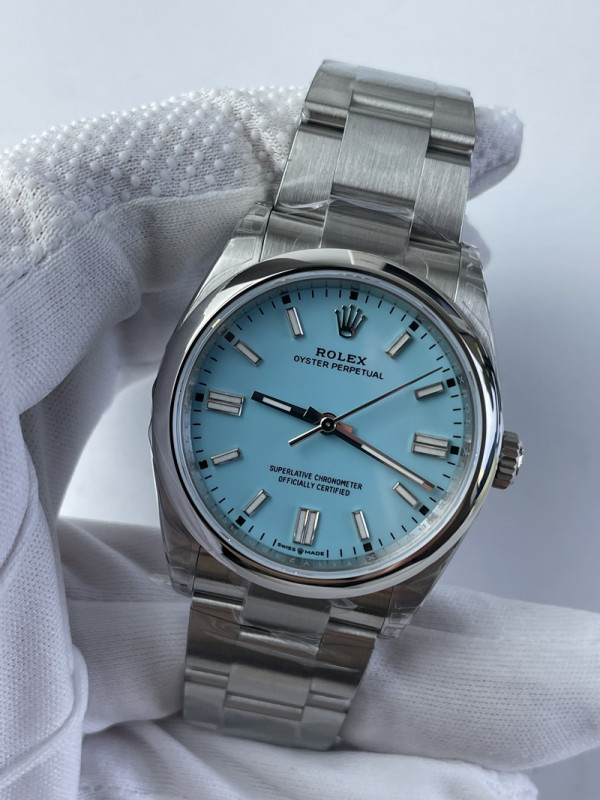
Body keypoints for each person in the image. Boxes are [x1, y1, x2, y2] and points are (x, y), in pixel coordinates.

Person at [1, 81, 598, 800]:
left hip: (322, 544)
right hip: (243, 535)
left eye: (337, 427)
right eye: (325, 424)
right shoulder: (253, 286)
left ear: (491, 458)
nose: (331, 427)